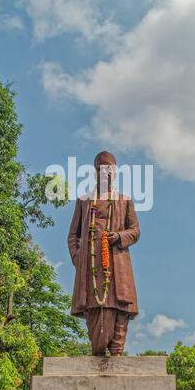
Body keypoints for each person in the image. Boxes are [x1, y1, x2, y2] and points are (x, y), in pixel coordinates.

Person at [68, 151, 140, 356]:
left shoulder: (125, 201)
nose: (107, 174)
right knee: (93, 308)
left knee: (121, 306)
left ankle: (117, 351)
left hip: (117, 265)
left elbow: (135, 231)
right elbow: (73, 236)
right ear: (95, 173)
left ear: (116, 173)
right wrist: (78, 259)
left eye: (111, 170)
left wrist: (118, 236)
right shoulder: (84, 201)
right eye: (102, 170)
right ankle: (98, 351)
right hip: (90, 269)